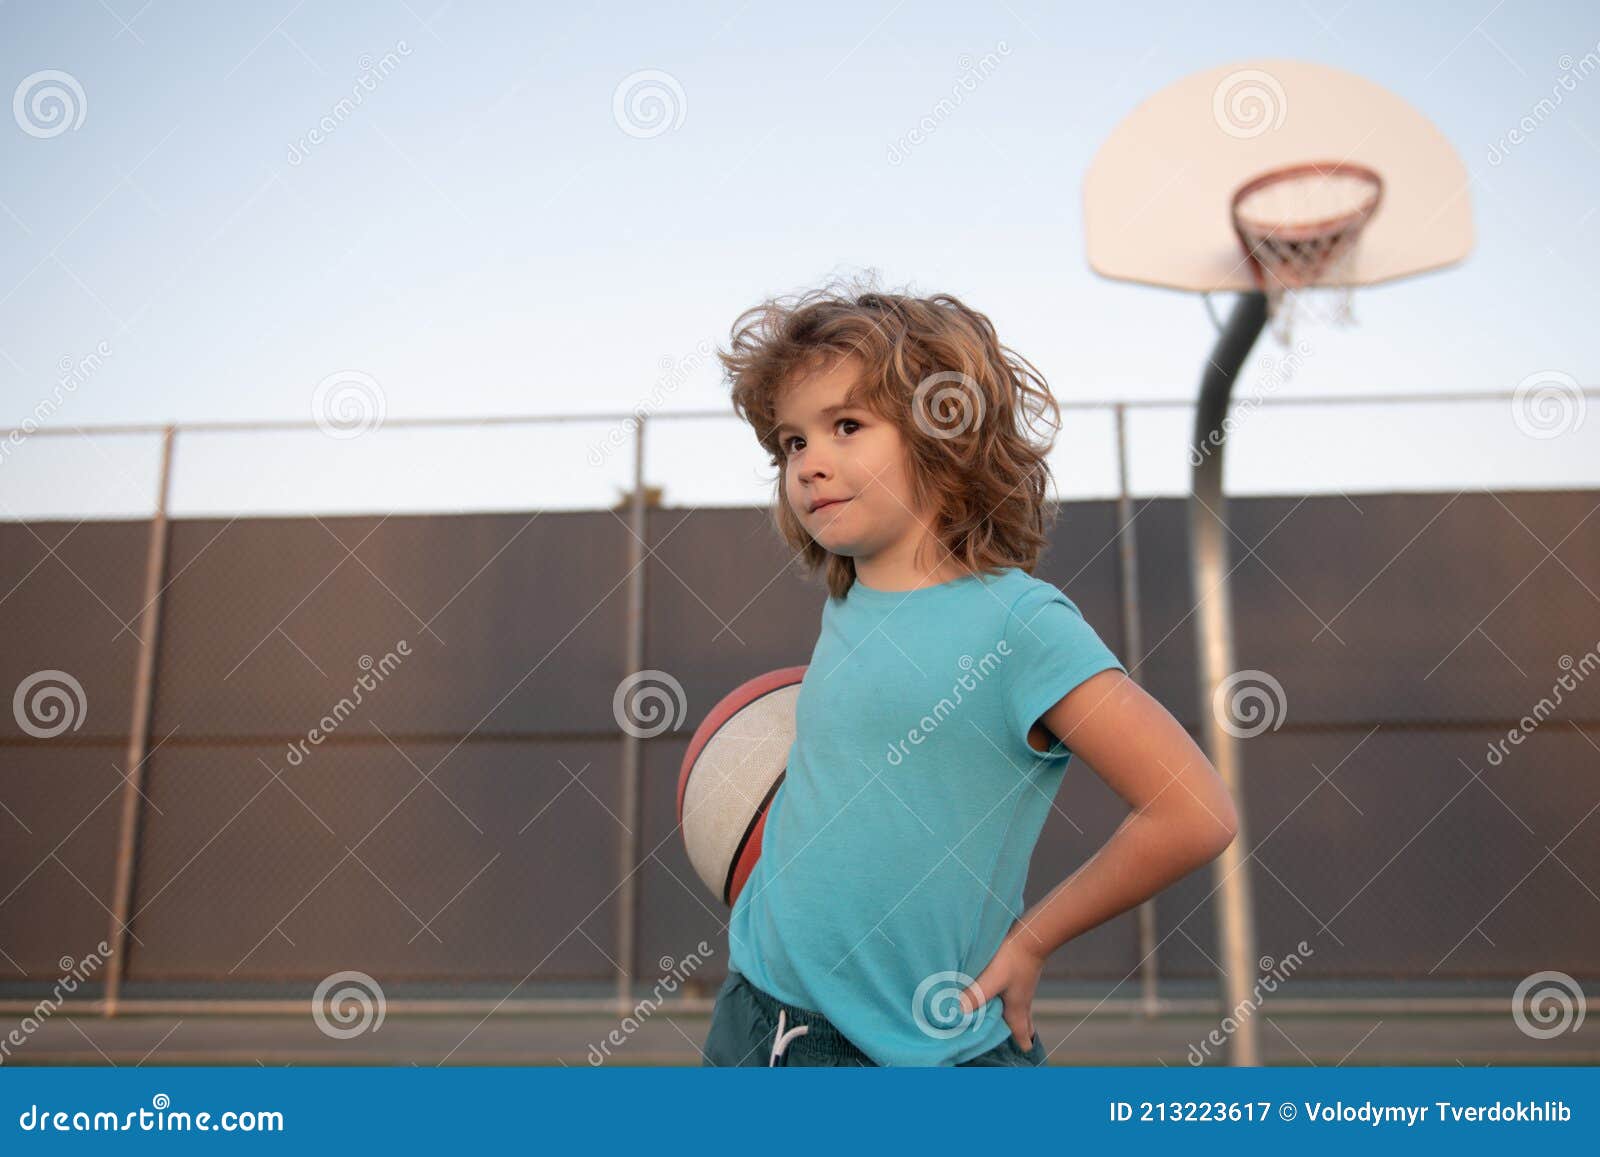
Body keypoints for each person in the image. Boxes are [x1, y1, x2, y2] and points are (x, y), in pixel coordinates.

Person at [701, 276, 1238, 1067]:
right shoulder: (845, 603)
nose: (811, 461)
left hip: (910, 1054)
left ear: (942, 437)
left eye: (846, 424)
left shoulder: (1019, 625)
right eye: (793, 441)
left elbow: (1195, 812)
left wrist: (1032, 939)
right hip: (754, 1013)